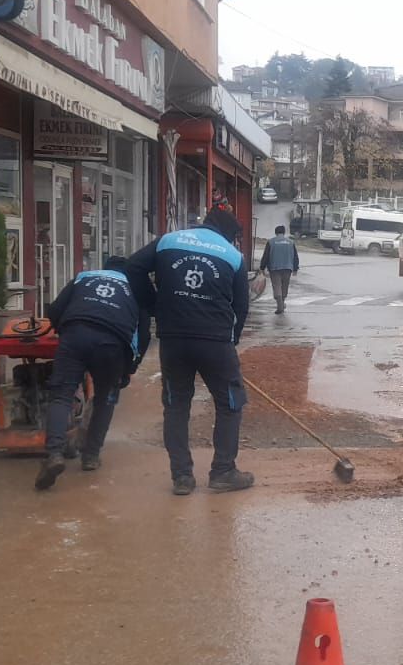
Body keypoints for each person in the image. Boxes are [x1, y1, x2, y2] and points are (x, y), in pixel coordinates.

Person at [126, 207, 253, 496]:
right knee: (230, 403)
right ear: (228, 233)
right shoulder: (233, 257)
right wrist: (231, 339)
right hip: (215, 341)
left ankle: (182, 477)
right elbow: (241, 306)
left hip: (173, 340)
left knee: (176, 404)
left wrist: (155, 305)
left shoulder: (168, 240)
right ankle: (223, 471)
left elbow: (133, 267)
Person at [35, 256, 151, 490]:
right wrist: (129, 369)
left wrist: (63, 330)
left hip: (75, 335)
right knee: (105, 399)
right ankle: (91, 456)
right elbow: (143, 334)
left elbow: (55, 309)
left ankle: (54, 454)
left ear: (105, 269)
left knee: (61, 395)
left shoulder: (84, 277)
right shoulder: (135, 290)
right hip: (113, 345)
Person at [259, 225, 300, 313]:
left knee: (277, 286)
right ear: (284, 232)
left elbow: (266, 256)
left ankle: (280, 305)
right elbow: (295, 256)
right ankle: (282, 303)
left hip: (275, 268)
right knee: (284, 286)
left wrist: (262, 267)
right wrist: (295, 268)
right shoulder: (291, 242)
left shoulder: (271, 242)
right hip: (288, 268)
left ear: (275, 232)